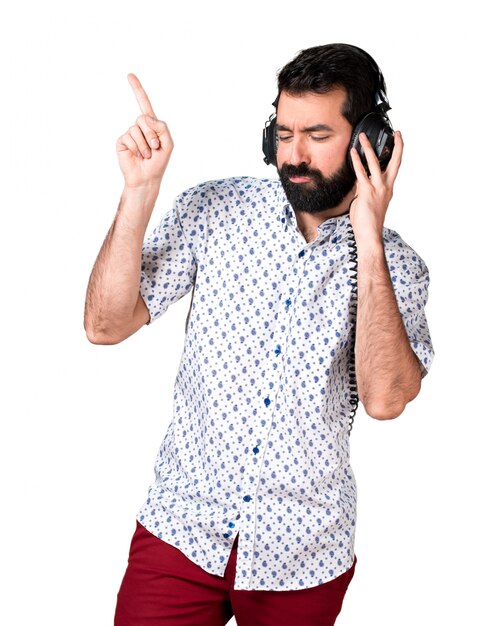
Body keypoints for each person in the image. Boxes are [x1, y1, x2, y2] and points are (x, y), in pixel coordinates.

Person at [84, 43, 434, 626]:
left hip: (303, 552)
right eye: (283, 130)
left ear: (370, 139)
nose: (292, 154)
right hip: (182, 530)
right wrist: (139, 190)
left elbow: (386, 400)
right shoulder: (214, 210)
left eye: (317, 135)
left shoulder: (398, 268)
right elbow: (104, 325)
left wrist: (369, 237)